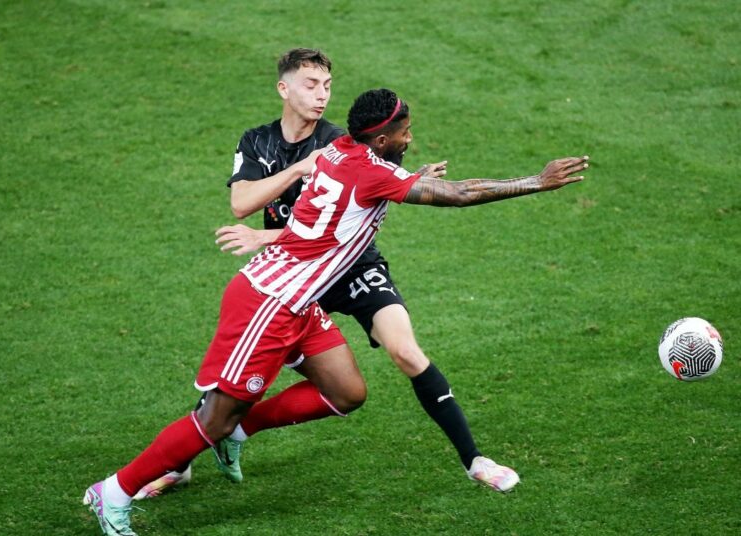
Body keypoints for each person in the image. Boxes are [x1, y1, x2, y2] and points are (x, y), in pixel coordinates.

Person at [83, 86, 588, 535]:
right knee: (213, 418)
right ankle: (116, 492)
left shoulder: (337, 150)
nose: (410, 137)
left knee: (346, 392)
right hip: (269, 303)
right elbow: (457, 195)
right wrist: (535, 181)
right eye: (405, 132)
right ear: (382, 139)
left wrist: (407, 177)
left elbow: (359, 195)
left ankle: (237, 430)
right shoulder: (372, 171)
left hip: (299, 302)